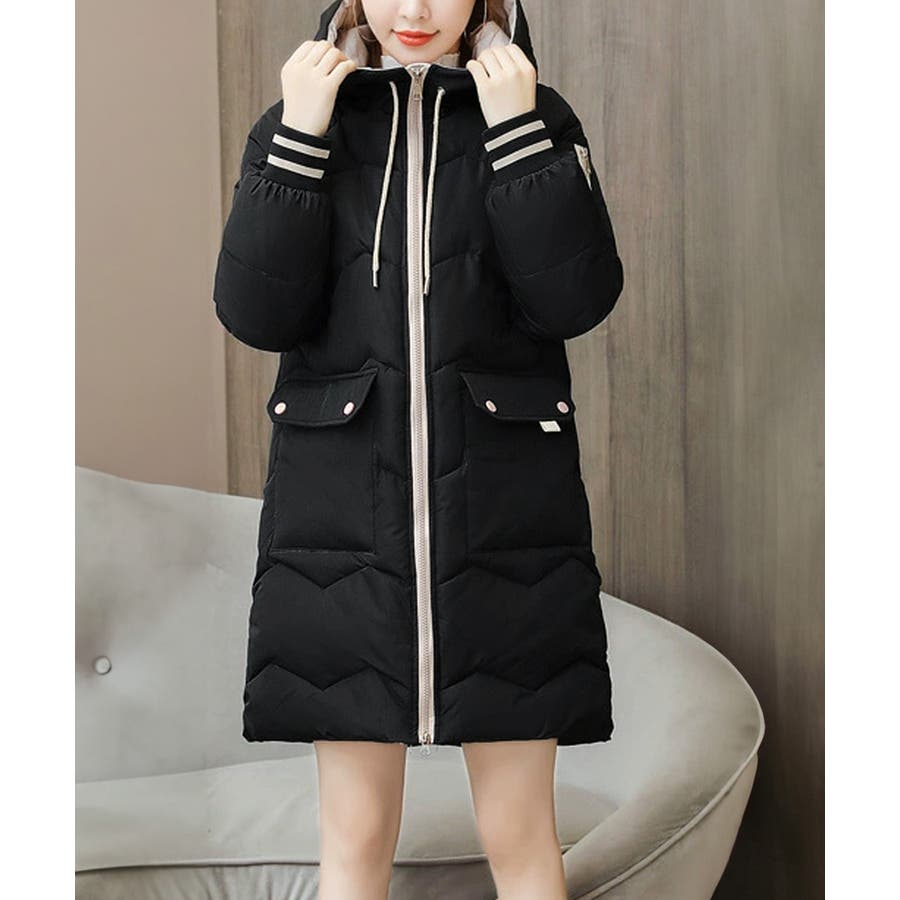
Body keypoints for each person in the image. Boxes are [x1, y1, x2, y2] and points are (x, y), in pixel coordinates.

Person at [212, 1, 624, 897]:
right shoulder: (300, 119)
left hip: (507, 526)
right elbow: (257, 314)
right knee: (355, 839)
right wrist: (300, 140)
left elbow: (574, 301)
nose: (412, 10)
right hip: (339, 531)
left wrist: (516, 133)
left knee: (521, 834)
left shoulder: (538, 115)